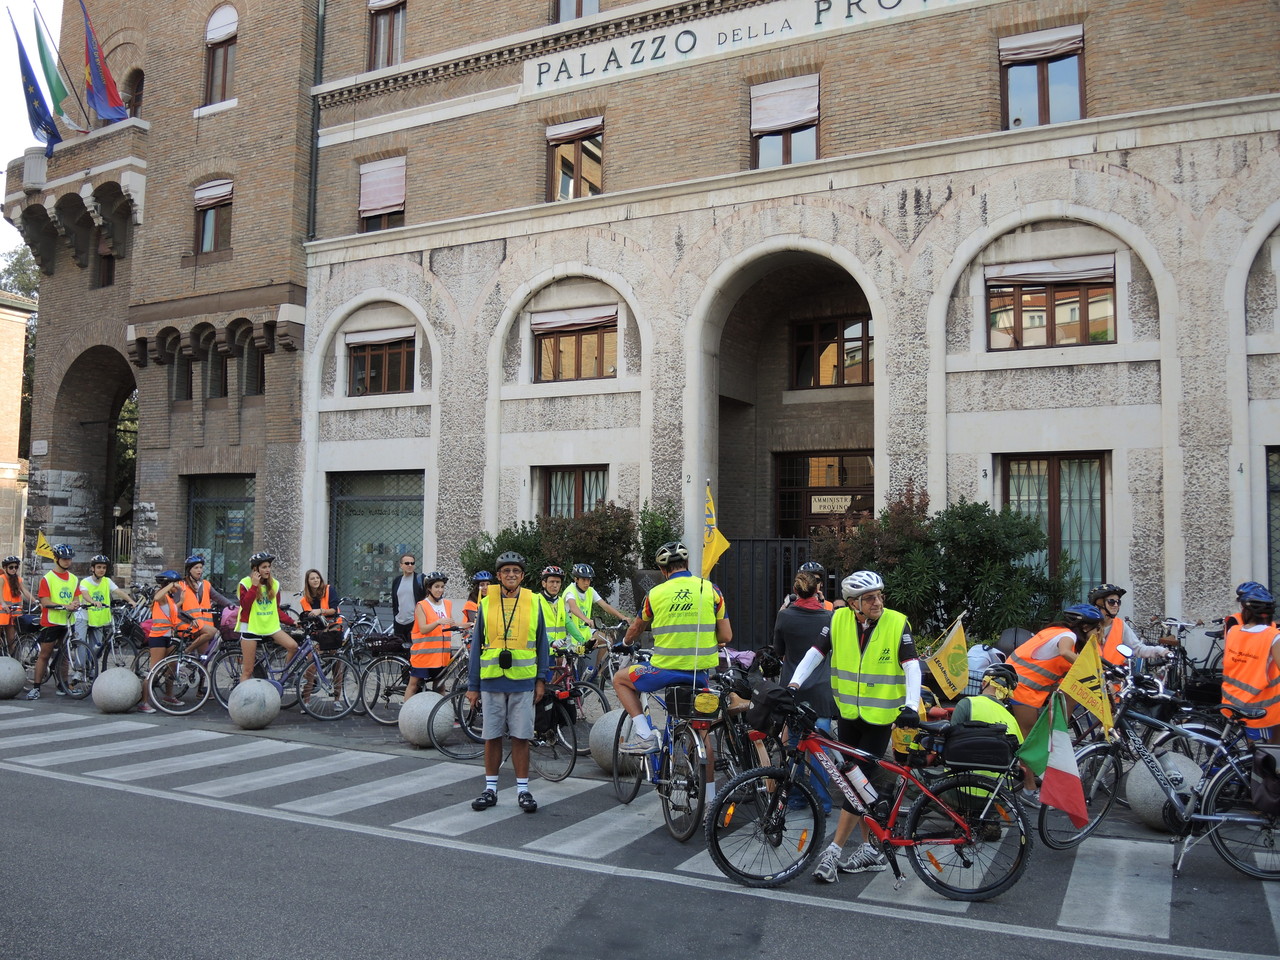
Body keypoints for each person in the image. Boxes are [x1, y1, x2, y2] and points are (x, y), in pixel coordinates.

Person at [785, 570, 921, 882]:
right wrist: (793, 684)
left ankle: (833, 850)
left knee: (853, 784)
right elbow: (814, 654)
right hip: (848, 714)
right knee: (860, 785)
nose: (878, 602)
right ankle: (872, 848)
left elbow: (912, 665)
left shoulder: (897, 622)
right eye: (870, 598)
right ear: (852, 603)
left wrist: (911, 706)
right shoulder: (837, 621)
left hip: (879, 718)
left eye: (879, 595)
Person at [614, 541, 731, 806]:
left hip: (663, 671)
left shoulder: (655, 594)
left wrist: (626, 643)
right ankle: (711, 802)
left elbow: (636, 628)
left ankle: (644, 734)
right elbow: (726, 635)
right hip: (698, 675)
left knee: (620, 679)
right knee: (702, 733)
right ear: (687, 565)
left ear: (662, 569)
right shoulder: (711, 590)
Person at [467, 552, 549, 814]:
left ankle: (523, 791)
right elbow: (477, 644)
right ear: (499, 576)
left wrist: (541, 680)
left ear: (522, 576)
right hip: (491, 680)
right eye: (506, 571)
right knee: (491, 736)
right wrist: (472, 685)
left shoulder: (534, 601)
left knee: (521, 736)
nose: (511, 575)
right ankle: (490, 789)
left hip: (523, 681)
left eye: (516, 570)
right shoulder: (487, 602)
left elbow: (542, 644)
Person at [1007, 603, 1103, 781]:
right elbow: (1064, 651)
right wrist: (1094, 669)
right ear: (1085, 627)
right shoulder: (1068, 636)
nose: (1099, 633)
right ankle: (1029, 790)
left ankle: (1050, 748)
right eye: (1097, 628)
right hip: (1021, 686)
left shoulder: (1058, 631)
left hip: (1026, 685)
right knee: (1029, 742)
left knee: (1035, 735)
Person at [772, 567, 835, 813]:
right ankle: (823, 802)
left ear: (795, 591)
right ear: (817, 590)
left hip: (792, 688)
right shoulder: (828, 618)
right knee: (821, 748)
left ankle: (796, 798)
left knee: (795, 746)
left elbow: (778, 650)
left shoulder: (785, 617)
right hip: (821, 690)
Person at [1221, 583, 1280, 742]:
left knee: (1252, 751)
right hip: (1262, 708)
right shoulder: (1272, 636)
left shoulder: (1233, 632)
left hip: (1232, 701)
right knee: (1266, 755)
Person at [26, 544, 81, 700]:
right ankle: (36, 687)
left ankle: (62, 684)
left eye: (69, 559)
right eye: (64, 559)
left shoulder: (74, 579)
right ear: (56, 559)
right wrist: (65, 606)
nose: (67, 561)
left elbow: (76, 597)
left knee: (64, 655)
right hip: (51, 621)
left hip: (68, 621)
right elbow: (45, 601)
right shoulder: (47, 578)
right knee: (45, 654)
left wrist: (76, 604)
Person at [236, 551, 298, 682]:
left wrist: (292, 622)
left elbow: (276, 610)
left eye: (269, 566)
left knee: (293, 646)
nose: (268, 570)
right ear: (255, 569)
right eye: (264, 567)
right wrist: (254, 585)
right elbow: (245, 605)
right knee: (248, 671)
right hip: (251, 628)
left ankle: (286, 676)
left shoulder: (274, 584)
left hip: (270, 627)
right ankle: (243, 700)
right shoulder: (245, 583)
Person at [1088, 582, 1175, 667]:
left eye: (1118, 602)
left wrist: (1161, 651)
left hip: (1113, 679)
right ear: (1099, 604)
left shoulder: (1120, 625)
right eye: (1111, 602)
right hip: (1089, 679)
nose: (1115, 605)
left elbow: (1138, 649)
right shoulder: (1087, 626)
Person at [140, 570, 188, 713]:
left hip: (168, 636)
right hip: (158, 637)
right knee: (154, 669)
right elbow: (156, 597)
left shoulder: (170, 599)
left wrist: (181, 600)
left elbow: (171, 612)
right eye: (175, 584)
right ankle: (143, 702)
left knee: (171, 665)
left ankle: (168, 695)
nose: (177, 587)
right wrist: (170, 586)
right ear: (169, 584)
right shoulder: (162, 596)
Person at [406, 571, 458, 700]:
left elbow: (451, 623)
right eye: (436, 587)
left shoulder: (447, 604)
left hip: (441, 657)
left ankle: (443, 716)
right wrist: (437, 622)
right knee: (413, 686)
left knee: (440, 686)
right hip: (423, 656)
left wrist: (468, 625)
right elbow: (423, 629)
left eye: (442, 586)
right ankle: (404, 716)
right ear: (429, 588)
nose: (440, 590)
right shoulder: (422, 606)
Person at [75, 555, 137, 657]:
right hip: (83, 616)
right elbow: (85, 594)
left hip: (98, 617)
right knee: (81, 644)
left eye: (104, 567)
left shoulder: (107, 581)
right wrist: (92, 601)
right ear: (92, 568)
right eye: (99, 567)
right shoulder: (85, 581)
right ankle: (80, 670)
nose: (102, 570)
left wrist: (131, 601)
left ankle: (91, 668)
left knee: (97, 646)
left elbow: (119, 592)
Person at [180, 555, 235, 659]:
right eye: (196, 568)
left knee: (203, 658)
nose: (199, 570)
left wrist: (232, 606)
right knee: (212, 633)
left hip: (204, 625)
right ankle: (187, 651)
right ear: (189, 570)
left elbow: (219, 598)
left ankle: (198, 673)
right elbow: (176, 607)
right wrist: (188, 618)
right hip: (189, 623)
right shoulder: (182, 585)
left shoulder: (205, 584)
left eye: (201, 567)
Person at [563, 562, 628, 634]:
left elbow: (605, 606)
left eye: (588, 580)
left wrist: (622, 617)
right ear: (576, 579)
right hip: (570, 633)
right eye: (583, 580)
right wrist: (587, 620)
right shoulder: (570, 591)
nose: (586, 583)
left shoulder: (590, 591)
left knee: (608, 640)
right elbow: (573, 608)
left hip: (584, 631)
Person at [299, 568, 344, 653]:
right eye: (312, 579)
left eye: (317, 578)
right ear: (307, 582)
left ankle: (335, 664)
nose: (316, 580)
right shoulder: (304, 600)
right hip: (317, 629)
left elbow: (333, 610)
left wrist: (320, 611)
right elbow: (308, 617)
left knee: (334, 653)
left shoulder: (329, 590)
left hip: (332, 626)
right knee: (312, 655)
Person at [389, 553, 428, 648]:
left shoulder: (420, 579)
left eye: (412, 563)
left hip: (414, 622)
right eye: (407, 563)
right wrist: (396, 616)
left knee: (414, 651)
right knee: (399, 652)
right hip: (399, 622)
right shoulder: (397, 581)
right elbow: (395, 602)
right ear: (401, 565)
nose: (410, 565)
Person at [1, 556, 37, 655]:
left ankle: (14, 660)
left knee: (11, 640)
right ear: (5, 568)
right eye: (11, 567)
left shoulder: (18, 580)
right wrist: (3, 604)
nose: (14, 569)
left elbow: (25, 591)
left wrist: (36, 601)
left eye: (16, 567)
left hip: (13, 613)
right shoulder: (2, 579)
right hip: (2, 612)